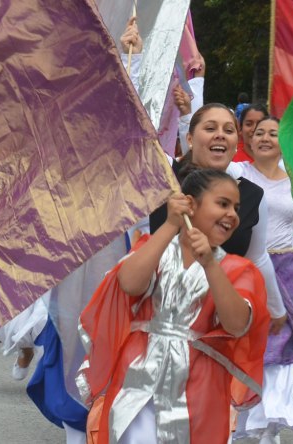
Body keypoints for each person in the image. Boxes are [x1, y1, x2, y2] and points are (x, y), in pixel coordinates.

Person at [77, 169, 270, 443]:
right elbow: (129, 283)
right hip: (138, 379)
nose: (233, 215)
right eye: (223, 204)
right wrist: (170, 225)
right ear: (190, 204)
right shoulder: (153, 248)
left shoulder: (238, 270)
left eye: (236, 208)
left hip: (199, 386)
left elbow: (237, 324)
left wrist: (210, 265)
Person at [151, 103, 288, 331]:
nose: (220, 136)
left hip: (217, 324)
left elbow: (257, 257)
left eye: (228, 130)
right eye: (210, 128)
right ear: (191, 139)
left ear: (236, 144)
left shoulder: (252, 195)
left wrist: (277, 309)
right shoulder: (163, 175)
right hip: (158, 315)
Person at [233, 117, 293, 443]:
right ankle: (238, 425)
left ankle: (269, 429)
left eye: (273, 133)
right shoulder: (237, 173)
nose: (264, 137)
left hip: (288, 272)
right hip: (248, 269)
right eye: (258, 132)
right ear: (249, 140)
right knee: (246, 346)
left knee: (282, 351)